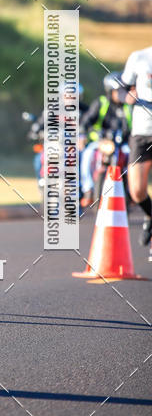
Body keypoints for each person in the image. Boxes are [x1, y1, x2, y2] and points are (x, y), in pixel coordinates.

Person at [114, 46, 152, 259]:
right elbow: (120, 88)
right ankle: (149, 214)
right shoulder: (139, 57)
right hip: (141, 132)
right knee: (136, 191)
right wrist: (125, 95)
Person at [79, 72, 132, 207]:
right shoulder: (101, 103)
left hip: (122, 144)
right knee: (86, 156)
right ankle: (88, 189)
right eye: (117, 91)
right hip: (101, 143)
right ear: (110, 91)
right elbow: (87, 120)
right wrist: (82, 134)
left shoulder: (127, 107)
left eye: (122, 91)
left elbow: (132, 127)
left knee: (131, 159)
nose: (120, 94)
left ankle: (131, 190)